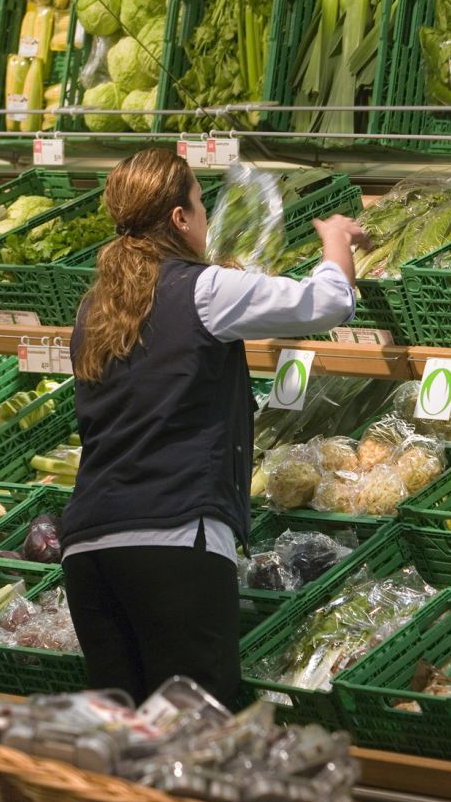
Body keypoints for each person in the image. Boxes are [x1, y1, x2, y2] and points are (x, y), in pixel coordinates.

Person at [60, 146, 368, 709]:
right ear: (180, 218)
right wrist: (336, 242)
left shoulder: (94, 308)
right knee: (195, 730)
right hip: (174, 541)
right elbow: (326, 303)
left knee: (123, 735)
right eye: (202, 205)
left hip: (88, 549)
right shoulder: (203, 289)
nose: (205, 217)